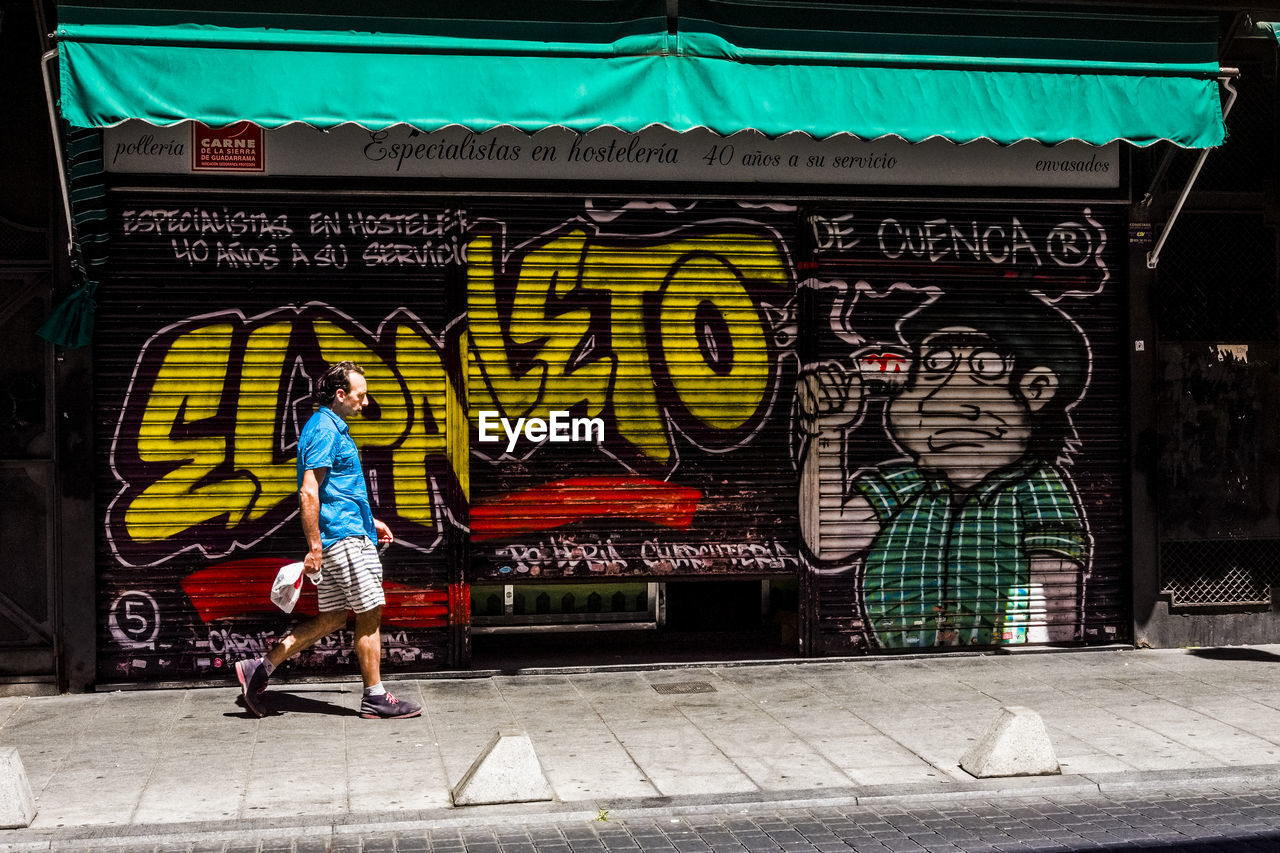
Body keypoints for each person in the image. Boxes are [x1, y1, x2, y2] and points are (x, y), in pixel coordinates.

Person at [798, 289, 1093, 649]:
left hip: (1007, 654)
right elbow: (828, 540)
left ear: (1035, 390)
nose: (949, 398)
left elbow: (1054, 597)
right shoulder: (907, 484)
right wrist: (827, 431)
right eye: (935, 365)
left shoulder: (1035, 487)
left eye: (985, 367)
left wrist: (1032, 649)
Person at [235, 361, 422, 719]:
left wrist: (371, 521)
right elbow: (309, 492)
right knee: (370, 612)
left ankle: (260, 668)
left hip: (349, 531)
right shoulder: (325, 430)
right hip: (344, 541)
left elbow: (336, 490)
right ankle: (375, 696)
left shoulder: (327, 427)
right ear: (341, 395)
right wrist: (315, 547)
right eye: (360, 395)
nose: (364, 403)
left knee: (335, 617)